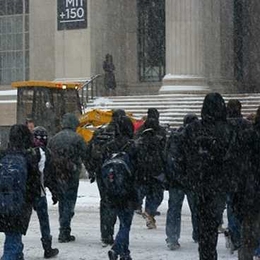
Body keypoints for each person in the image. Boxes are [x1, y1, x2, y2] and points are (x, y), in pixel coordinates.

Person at [174, 93, 236, 260]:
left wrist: (187, 176)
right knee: (212, 222)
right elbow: (233, 158)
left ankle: (206, 254)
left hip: (199, 183)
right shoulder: (228, 129)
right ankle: (209, 252)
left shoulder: (193, 128)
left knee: (204, 225)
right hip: (218, 183)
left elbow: (180, 156)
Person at [85, 109, 126, 247]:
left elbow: (89, 151)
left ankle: (106, 233)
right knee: (118, 202)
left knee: (105, 202)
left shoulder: (100, 132)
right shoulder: (122, 134)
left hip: (101, 172)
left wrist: (92, 170)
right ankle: (117, 233)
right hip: (119, 173)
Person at [47, 113, 89, 243]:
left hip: (58, 174)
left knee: (62, 201)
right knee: (69, 202)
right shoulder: (78, 138)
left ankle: (63, 227)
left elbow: (48, 157)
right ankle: (64, 230)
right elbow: (86, 155)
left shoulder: (54, 138)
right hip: (71, 174)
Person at [102, 115, 138, 260]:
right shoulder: (132, 146)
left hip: (112, 189)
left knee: (122, 220)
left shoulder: (109, 146)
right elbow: (137, 169)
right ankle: (116, 249)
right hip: (128, 189)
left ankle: (125, 253)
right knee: (125, 223)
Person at [0, 124, 38, 260]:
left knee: (13, 238)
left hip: (3, 205)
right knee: (12, 242)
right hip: (18, 206)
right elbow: (34, 185)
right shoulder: (28, 157)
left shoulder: (3, 155)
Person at [165, 113, 199, 250]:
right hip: (193, 180)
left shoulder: (175, 137)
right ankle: (198, 234)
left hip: (176, 179)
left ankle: (172, 238)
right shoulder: (197, 137)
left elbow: (168, 157)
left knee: (174, 210)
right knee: (197, 209)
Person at [224, 99, 252, 254]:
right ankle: (243, 237)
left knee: (231, 206)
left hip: (229, 173)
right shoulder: (247, 126)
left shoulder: (224, 126)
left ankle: (235, 237)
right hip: (245, 173)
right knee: (245, 207)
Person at [134, 108, 167, 228]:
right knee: (156, 194)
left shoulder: (140, 132)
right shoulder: (161, 132)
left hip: (142, 169)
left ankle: (141, 208)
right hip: (156, 169)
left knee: (143, 190)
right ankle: (150, 211)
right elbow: (165, 151)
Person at [32, 126, 59, 258]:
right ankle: (47, 247)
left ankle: (16, 245)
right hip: (39, 191)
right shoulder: (47, 153)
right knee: (43, 220)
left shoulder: (28, 151)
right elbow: (50, 176)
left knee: (19, 221)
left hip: (27, 191)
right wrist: (55, 192)